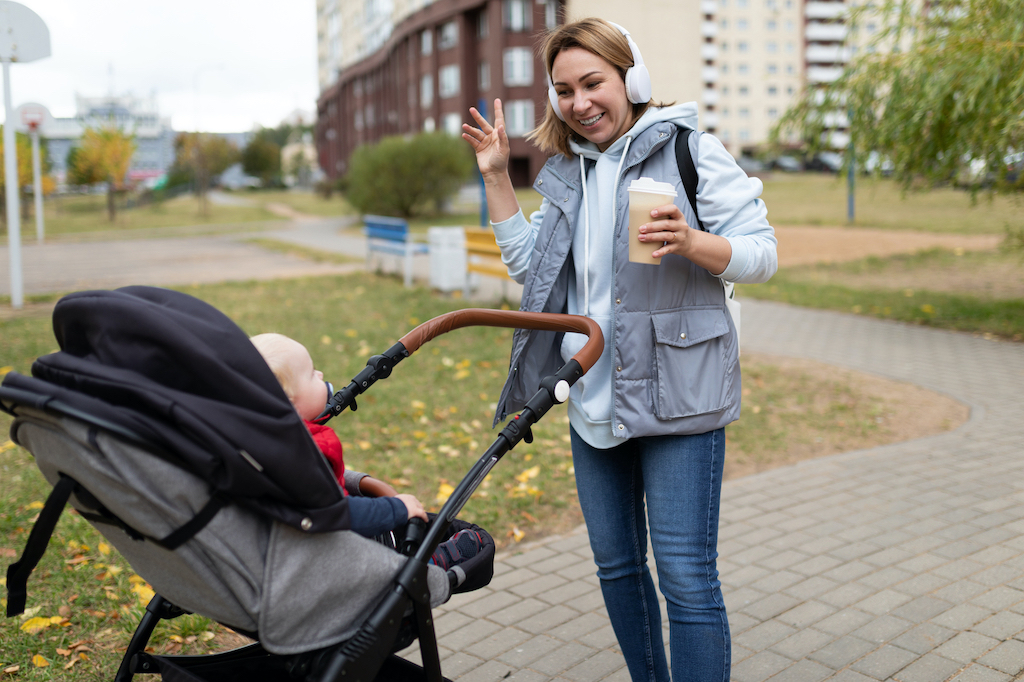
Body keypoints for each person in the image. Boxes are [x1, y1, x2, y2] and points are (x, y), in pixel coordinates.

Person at [462, 18, 777, 682]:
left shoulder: (692, 150)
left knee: (687, 579)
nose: (581, 103)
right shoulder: (568, 171)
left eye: (594, 82)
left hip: (679, 398)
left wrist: (694, 244)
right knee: (618, 569)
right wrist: (496, 175)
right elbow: (531, 265)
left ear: (632, 80)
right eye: (565, 90)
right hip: (591, 394)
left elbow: (762, 255)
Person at [250, 333, 487, 574]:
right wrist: (397, 509)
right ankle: (432, 562)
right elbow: (338, 513)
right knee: (396, 556)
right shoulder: (296, 458)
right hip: (336, 555)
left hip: (303, 544)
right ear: (288, 402)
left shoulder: (260, 444)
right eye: (311, 374)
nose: (320, 375)